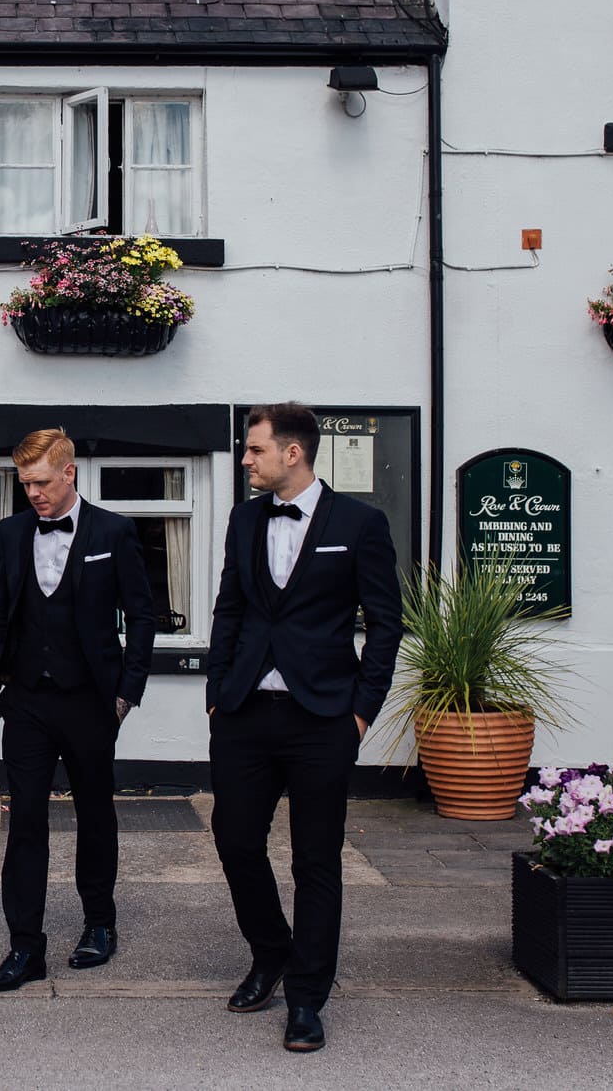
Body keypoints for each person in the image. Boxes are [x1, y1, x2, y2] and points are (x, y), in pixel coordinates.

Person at [204, 402, 402, 1055]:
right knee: (235, 840)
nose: (245, 460)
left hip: (323, 717)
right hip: (244, 712)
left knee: (316, 859)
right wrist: (215, 693)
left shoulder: (361, 523)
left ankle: (306, 998)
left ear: (293, 452)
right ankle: (272, 952)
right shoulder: (243, 517)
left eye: (254, 449)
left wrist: (362, 711)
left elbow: (385, 623)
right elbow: (230, 605)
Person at [0, 427, 157, 992]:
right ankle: (25, 947)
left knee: (95, 814)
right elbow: (1, 602)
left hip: (91, 701)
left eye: (42, 481)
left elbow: (143, 617)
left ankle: (99, 924)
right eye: (24, 483)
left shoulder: (115, 532)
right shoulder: (12, 531)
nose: (32, 493)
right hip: (26, 699)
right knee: (24, 819)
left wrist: (127, 693)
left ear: (70, 473)